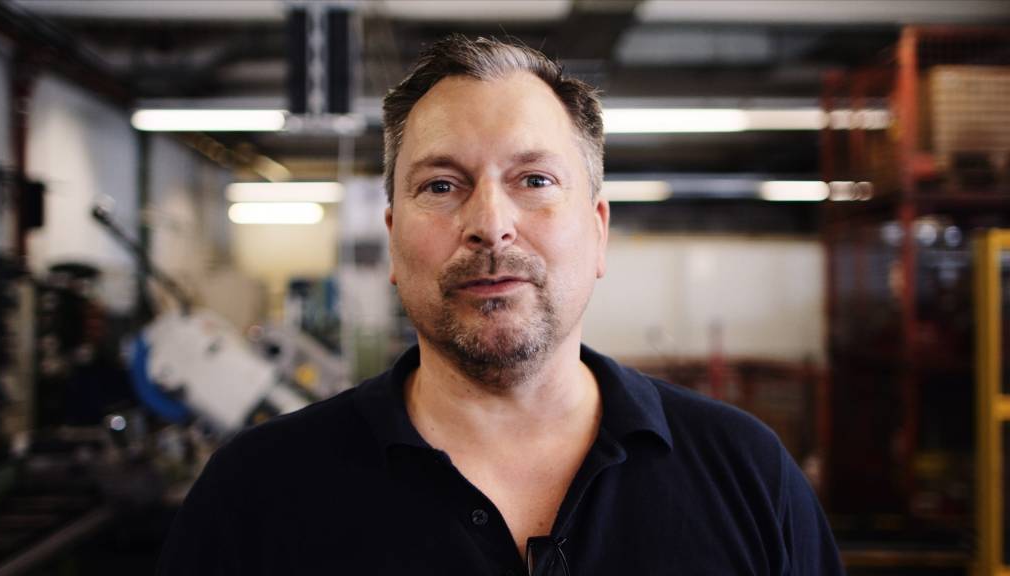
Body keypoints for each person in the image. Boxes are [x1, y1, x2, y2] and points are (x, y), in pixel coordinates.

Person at [157, 35, 844, 575]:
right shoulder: (255, 494)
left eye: (535, 180)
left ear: (598, 231)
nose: (490, 224)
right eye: (441, 185)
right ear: (392, 240)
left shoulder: (748, 475)